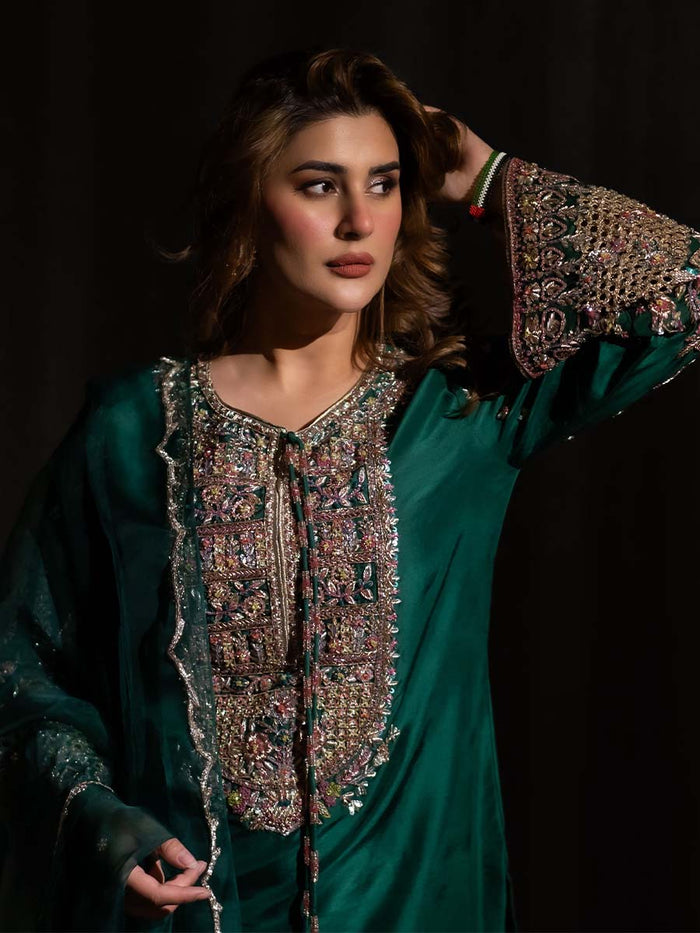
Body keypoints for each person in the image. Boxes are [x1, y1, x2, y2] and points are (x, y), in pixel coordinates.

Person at [0, 45, 698, 933]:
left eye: (385, 184)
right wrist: (102, 825)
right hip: (203, 911)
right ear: (251, 198)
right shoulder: (136, 432)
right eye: (321, 185)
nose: (360, 221)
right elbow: (22, 676)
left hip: (416, 907)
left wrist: (486, 176)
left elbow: (682, 291)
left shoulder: (460, 415)